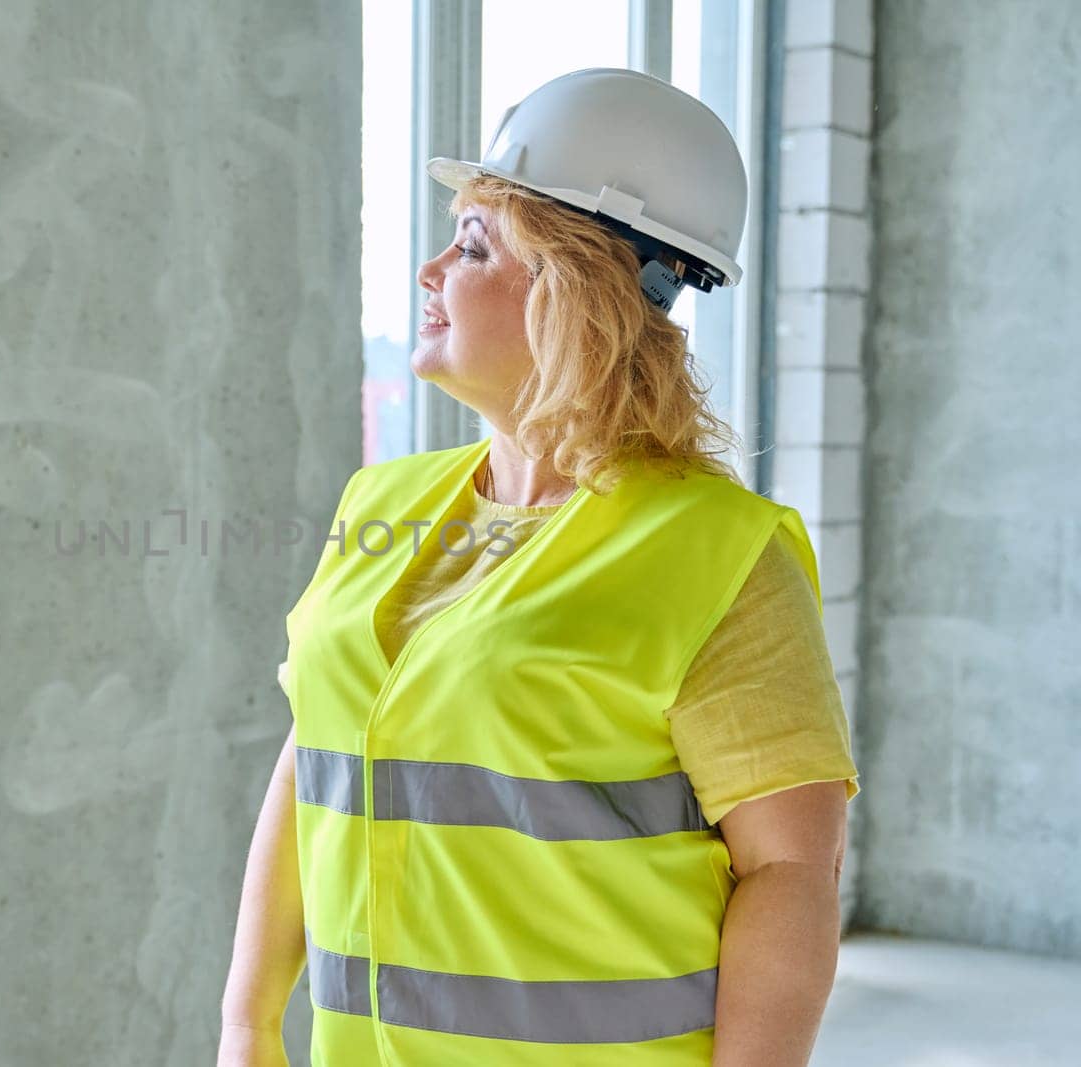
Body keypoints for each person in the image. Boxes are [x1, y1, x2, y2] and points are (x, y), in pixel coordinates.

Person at [220, 68, 859, 1067]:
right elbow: (315, 760)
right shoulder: (379, 505)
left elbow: (790, 870)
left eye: (472, 244)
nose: (431, 268)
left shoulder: (720, 552)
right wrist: (247, 1025)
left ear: (576, 289)